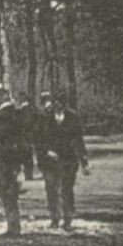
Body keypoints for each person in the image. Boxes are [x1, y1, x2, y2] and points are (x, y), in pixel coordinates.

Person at [35, 90, 89, 229]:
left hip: (68, 160)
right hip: (49, 161)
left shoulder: (73, 118)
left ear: (65, 105)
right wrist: (46, 151)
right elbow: (38, 139)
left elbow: (79, 140)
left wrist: (84, 162)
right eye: (56, 102)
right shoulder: (45, 118)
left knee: (67, 189)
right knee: (51, 189)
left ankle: (68, 218)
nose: (58, 106)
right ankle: (54, 217)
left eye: (61, 103)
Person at [0, 83, 27, 235]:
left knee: (8, 193)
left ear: (3, 95)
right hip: (10, 160)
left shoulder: (3, 115)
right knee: (9, 194)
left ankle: (13, 226)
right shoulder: (14, 113)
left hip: (4, 160)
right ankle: (13, 225)